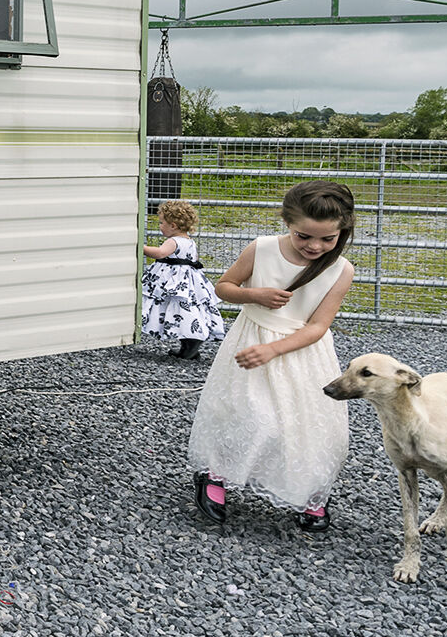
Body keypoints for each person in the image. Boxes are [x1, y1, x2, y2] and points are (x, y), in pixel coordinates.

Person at [186, 180, 357, 532]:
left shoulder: (342, 270)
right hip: (252, 341)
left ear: (343, 230)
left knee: (313, 424)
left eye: (328, 239)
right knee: (247, 411)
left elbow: (318, 326)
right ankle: (216, 475)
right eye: (303, 236)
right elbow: (223, 287)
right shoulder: (262, 249)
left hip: (303, 353)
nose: (315, 246)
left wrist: (273, 350)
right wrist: (255, 295)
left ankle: (311, 491)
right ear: (287, 224)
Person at [141, 199, 226, 360]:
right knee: (184, 311)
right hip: (189, 282)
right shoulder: (189, 241)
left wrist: (140, 247)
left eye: (162, 223)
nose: (160, 226)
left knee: (178, 310)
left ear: (173, 225)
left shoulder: (173, 241)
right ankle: (188, 345)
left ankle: (191, 344)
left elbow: (160, 253)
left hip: (176, 282)